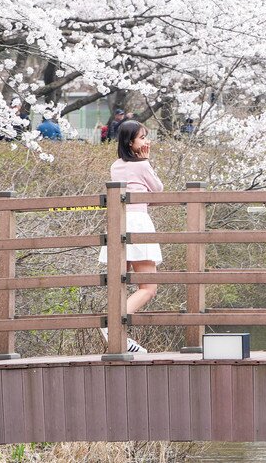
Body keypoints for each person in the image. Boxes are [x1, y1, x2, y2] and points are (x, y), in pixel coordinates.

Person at [97, 119, 164, 354]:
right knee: (148, 287)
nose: (147, 142)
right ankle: (112, 323)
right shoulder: (142, 165)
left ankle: (119, 336)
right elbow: (158, 190)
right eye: (143, 138)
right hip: (138, 222)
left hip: (117, 222)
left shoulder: (116, 165)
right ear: (131, 141)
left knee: (121, 283)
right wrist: (146, 161)